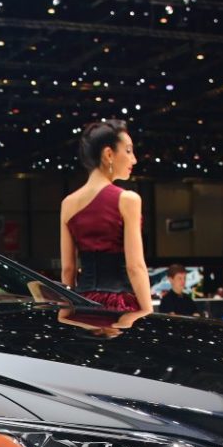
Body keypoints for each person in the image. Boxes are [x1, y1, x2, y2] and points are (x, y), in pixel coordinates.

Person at [60, 119, 153, 319]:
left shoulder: (68, 203)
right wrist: (147, 311)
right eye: (128, 151)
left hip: (82, 305)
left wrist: (69, 311)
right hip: (120, 307)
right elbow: (135, 267)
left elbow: (68, 270)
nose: (134, 160)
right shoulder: (127, 200)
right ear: (109, 154)